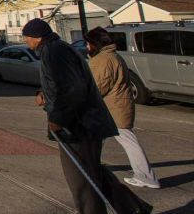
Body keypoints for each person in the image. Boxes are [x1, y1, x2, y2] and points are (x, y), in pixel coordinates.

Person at [24, 18, 152, 214]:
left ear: (37, 37)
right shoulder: (58, 49)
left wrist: (58, 119)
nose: (26, 42)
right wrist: (44, 93)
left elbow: (73, 89)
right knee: (92, 170)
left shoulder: (54, 52)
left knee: (81, 180)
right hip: (85, 122)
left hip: (79, 125)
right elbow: (63, 81)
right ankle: (132, 208)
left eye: (27, 38)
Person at [84, 27, 160, 189]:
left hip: (112, 109)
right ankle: (90, 168)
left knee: (126, 141)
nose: (86, 47)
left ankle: (146, 176)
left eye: (88, 43)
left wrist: (83, 99)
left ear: (95, 43)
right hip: (115, 107)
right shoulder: (113, 56)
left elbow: (98, 86)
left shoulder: (103, 60)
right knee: (96, 140)